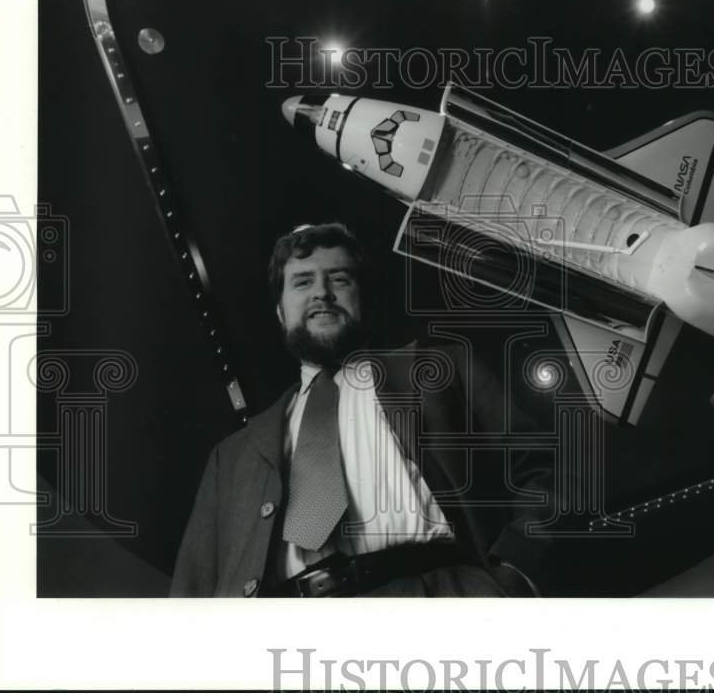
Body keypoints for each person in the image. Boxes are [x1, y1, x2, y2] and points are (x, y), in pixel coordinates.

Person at [170, 222, 559, 597]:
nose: (322, 293)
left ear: (364, 301)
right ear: (279, 312)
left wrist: (517, 573)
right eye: (303, 281)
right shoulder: (231, 455)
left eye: (339, 279)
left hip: (438, 598)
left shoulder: (442, 371)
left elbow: (542, 467)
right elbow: (193, 588)